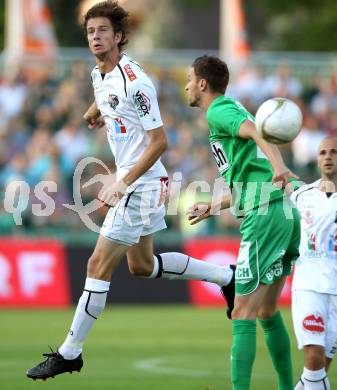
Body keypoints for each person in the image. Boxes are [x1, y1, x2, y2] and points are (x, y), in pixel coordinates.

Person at [26, 2, 235, 381]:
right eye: (91, 32)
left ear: (119, 36)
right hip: (143, 182)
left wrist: (122, 182)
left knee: (96, 264)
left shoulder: (136, 82)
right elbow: (105, 94)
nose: (95, 37)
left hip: (140, 183)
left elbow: (159, 141)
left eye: (103, 31)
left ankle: (70, 351)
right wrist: (95, 111)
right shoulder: (99, 75)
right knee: (141, 266)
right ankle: (226, 276)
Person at [185, 55, 301, 390]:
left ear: (203, 83)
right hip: (281, 211)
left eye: (190, 80)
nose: (188, 86)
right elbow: (253, 173)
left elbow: (255, 134)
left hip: (266, 214)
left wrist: (280, 165)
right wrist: (215, 206)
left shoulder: (218, 110)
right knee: (265, 310)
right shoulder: (229, 110)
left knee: (242, 312)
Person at [291, 137, 337, 390]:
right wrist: (214, 205)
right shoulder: (302, 195)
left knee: (318, 369)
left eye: (334, 152)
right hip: (309, 284)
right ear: (317, 159)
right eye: (323, 152)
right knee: (314, 357)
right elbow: (260, 200)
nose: (328, 156)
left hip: (336, 290)